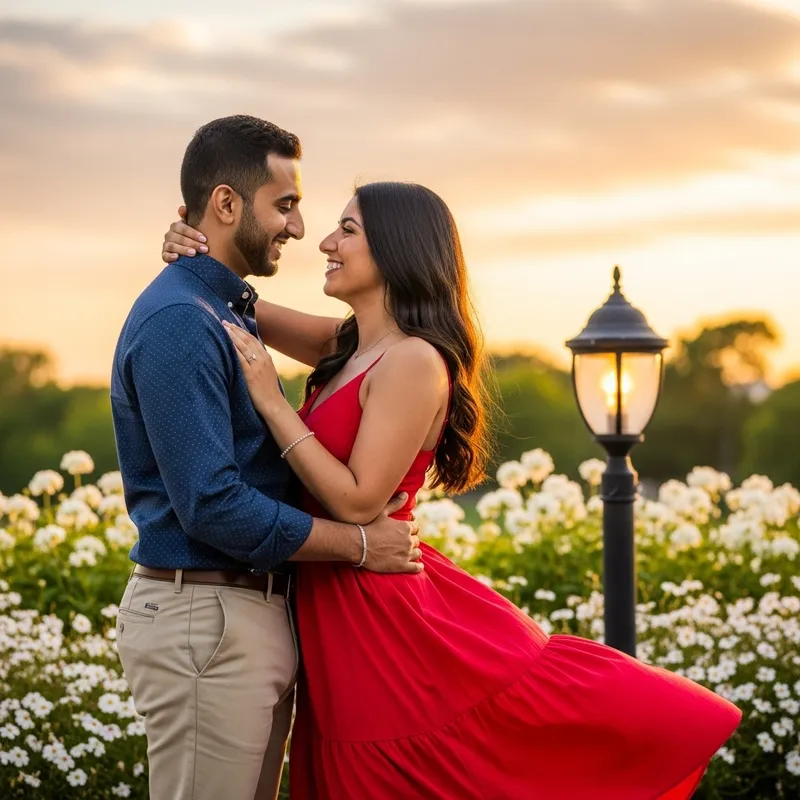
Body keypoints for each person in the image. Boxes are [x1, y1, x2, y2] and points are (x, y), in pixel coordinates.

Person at [161, 179, 742, 799]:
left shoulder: (413, 361)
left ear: (399, 251)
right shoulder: (350, 345)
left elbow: (358, 502)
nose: (325, 242)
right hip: (340, 613)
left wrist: (274, 405)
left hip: (384, 622)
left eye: (347, 231)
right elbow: (236, 311)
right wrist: (194, 256)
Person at [110, 115, 422, 800]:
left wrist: (208, 268)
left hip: (241, 618)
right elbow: (211, 503)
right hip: (207, 619)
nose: (302, 229)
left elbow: (335, 344)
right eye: (285, 205)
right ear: (227, 204)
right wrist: (359, 545)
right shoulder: (182, 323)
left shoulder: (226, 311)